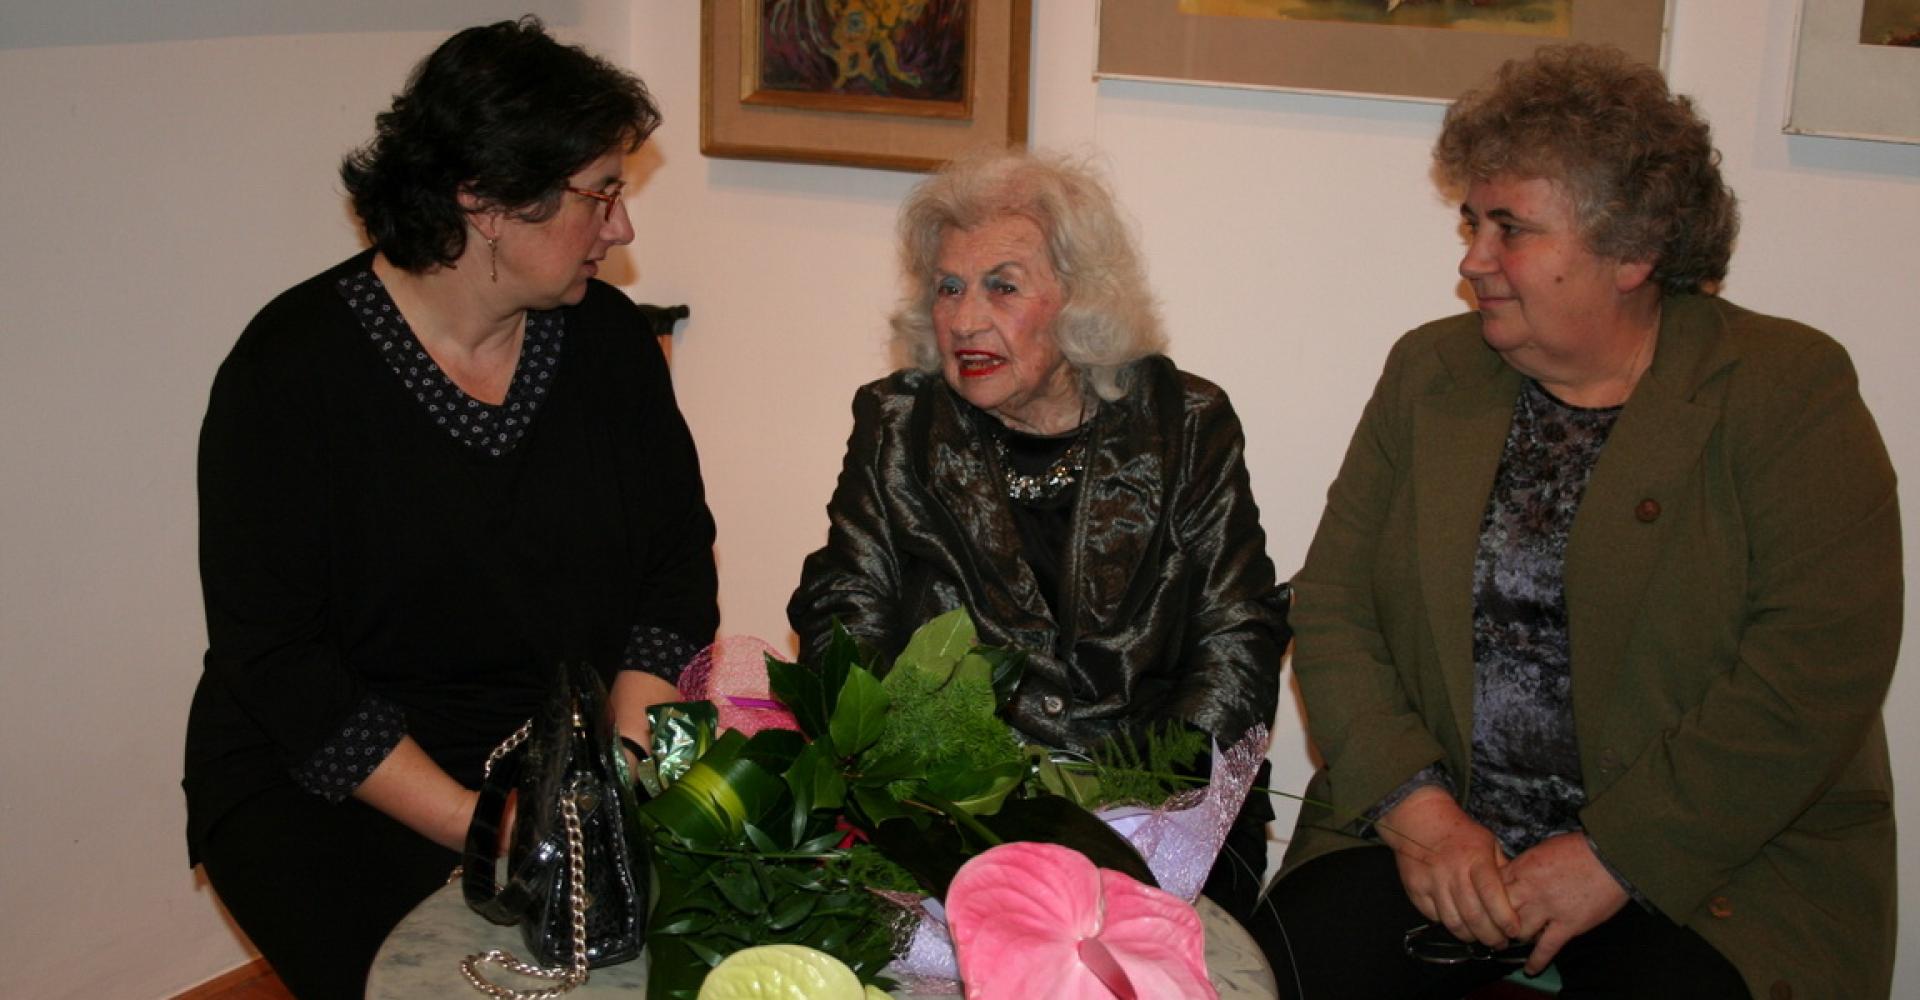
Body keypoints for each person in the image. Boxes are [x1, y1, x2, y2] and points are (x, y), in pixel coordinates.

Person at [1259, 44, 1901, 1000]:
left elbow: (1815, 669)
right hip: (1436, 838)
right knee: (1283, 976)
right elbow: (1336, 608)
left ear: (1633, 252)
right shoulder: (1431, 374)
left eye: (1511, 229)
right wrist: (1419, 813)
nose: (1473, 259)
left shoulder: (1782, 392)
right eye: (1473, 222)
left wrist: (1618, 854)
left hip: (1708, 868)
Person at [183, 19, 718, 999]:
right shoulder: (291, 374)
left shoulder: (605, 343)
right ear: (485, 200)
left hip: (558, 756)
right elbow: (280, 661)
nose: (622, 229)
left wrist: (620, 779)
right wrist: (489, 826)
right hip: (332, 778)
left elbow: (675, 568)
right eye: (600, 193)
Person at [787, 148, 1292, 919]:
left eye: (1002, 286)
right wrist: (944, 790)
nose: (964, 320)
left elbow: (1237, 635)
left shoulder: (1185, 424)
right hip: (949, 815)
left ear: (1079, 299)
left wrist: (1138, 812)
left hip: (1161, 819)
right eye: (948, 287)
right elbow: (843, 617)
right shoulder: (898, 423)